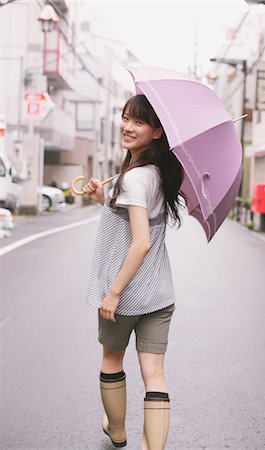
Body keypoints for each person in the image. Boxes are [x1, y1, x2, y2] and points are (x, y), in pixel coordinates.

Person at [83, 94, 186, 449]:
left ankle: (118, 430)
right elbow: (133, 214)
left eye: (139, 122)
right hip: (160, 293)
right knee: (155, 374)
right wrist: (103, 196)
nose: (128, 126)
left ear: (157, 132)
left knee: (112, 358)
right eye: (126, 117)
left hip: (125, 293)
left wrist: (113, 291)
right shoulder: (160, 174)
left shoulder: (134, 180)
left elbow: (140, 242)